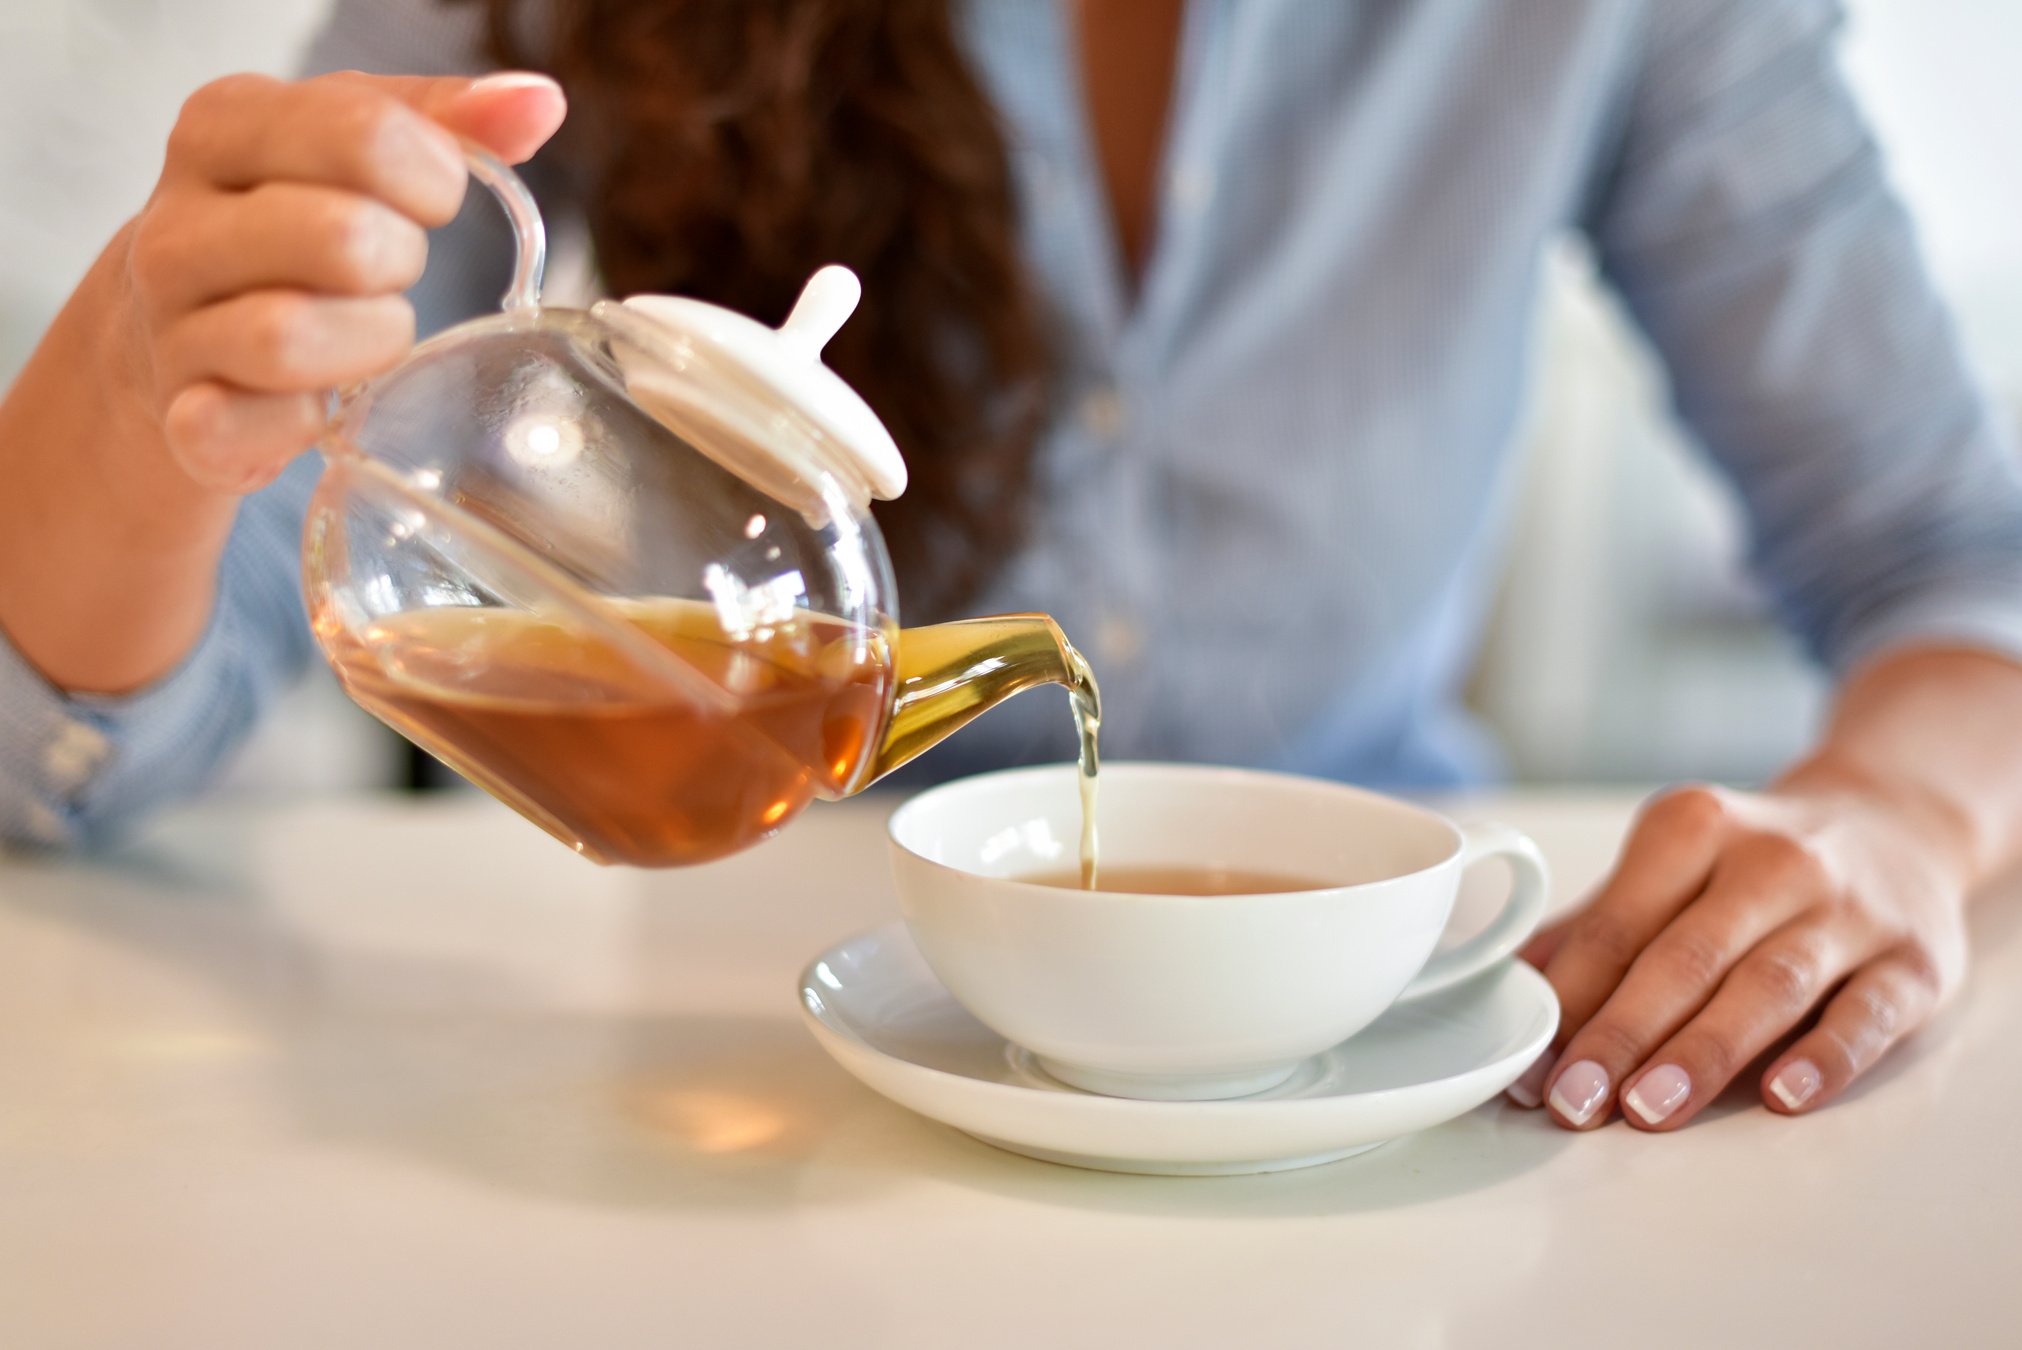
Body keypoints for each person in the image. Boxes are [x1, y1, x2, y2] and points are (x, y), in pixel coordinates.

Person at [3, 0, 2021, 1135]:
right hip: (738, 1100)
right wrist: (136, 384)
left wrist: (1902, 814)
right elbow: (72, 741)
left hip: (1397, 1091)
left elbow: (1945, 553)